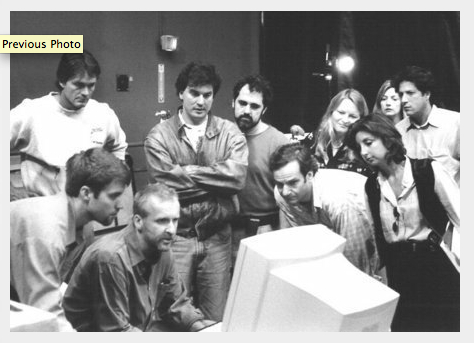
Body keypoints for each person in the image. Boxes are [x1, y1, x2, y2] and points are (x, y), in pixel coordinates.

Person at [143, 61, 248, 321]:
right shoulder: (158, 136)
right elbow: (165, 186)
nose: (201, 101)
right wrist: (216, 184)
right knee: (174, 316)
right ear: (181, 93)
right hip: (177, 239)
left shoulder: (229, 132)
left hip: (217, 238)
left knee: (217, 318)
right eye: (194, 93)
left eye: (207, 95)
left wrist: (185, 172)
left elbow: (236, 178)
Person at [346, 114, 460, 332]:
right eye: (359, 146)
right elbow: (377, 236)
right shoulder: (372, 186)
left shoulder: (427, 171)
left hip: (433, 263)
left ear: (387, 139)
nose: (363, 152)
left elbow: (462, 217)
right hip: (399, 269)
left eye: (368, 143)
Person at [62, 183, 215, 332]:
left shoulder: (161, 247)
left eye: (174, 220)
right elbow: (116, 330)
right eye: (162, 221)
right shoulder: (110, 257)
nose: (171, 230)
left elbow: (175, 305)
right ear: (138, 221)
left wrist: (205, 330)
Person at [10, 148, 131, 331]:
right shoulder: (47, 230)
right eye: (113, 196)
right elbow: (44, 318)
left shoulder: (78, 226)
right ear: (86, 193)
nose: (121, 205)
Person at [10, 50, 128, 197]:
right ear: (62, 81)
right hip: (44, 207)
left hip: (87, 210)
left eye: (91, 85)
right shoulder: (32, 112)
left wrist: (111, 189)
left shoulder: (103, 113)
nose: (86, 92)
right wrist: (12, 192)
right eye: (78, 85)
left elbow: (118, 149)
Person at [269, 143, 379, 277]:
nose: (285, 192)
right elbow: (305, 241)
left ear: (309, 175)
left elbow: (356, 261)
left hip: (378, 241)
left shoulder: (338, 202)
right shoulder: (281, 193)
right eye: (280, 184)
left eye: (293, 183)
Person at [231, 74, 289, 265]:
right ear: (233, 102)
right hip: (228, 232)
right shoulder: (223, 136)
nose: (246, 110)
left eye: (254, 106)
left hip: (265, 230)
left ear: (264, 109)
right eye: (242, 103)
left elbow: (289, 197)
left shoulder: (278, 142)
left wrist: (280, 234)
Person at [393, 65, 460, 185]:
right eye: (401, 94)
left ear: (427, 94)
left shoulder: (455, 122)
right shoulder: (398, 131)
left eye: (410, 93)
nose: (403, 100)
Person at [296, 89, 372, 177]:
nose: (345, 120)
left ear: (361, 119)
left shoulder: (363, 148)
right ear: (331, 112)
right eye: (341, 113)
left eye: (352, 116)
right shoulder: (314, 139)